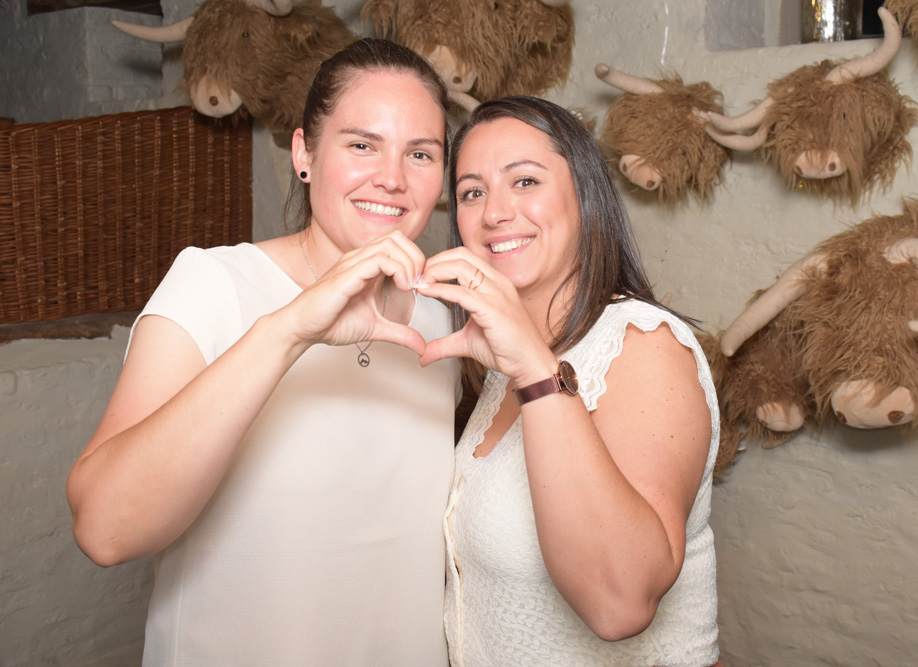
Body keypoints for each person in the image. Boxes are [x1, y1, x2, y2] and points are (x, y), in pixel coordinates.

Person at [66, 39, 459, 666]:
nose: (392, 177)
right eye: (361, 144)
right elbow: (106, 529)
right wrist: (290, 329)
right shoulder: (214, 284)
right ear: (304, 152)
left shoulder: (444, 321)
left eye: (420, 153)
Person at [414, 96, 722, 666]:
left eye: (524, 181)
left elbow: (620, 605)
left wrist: (535, 372)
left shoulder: (645, 344)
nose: (495, 213)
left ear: (584, 195)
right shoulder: (505, 368)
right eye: (472, 191)